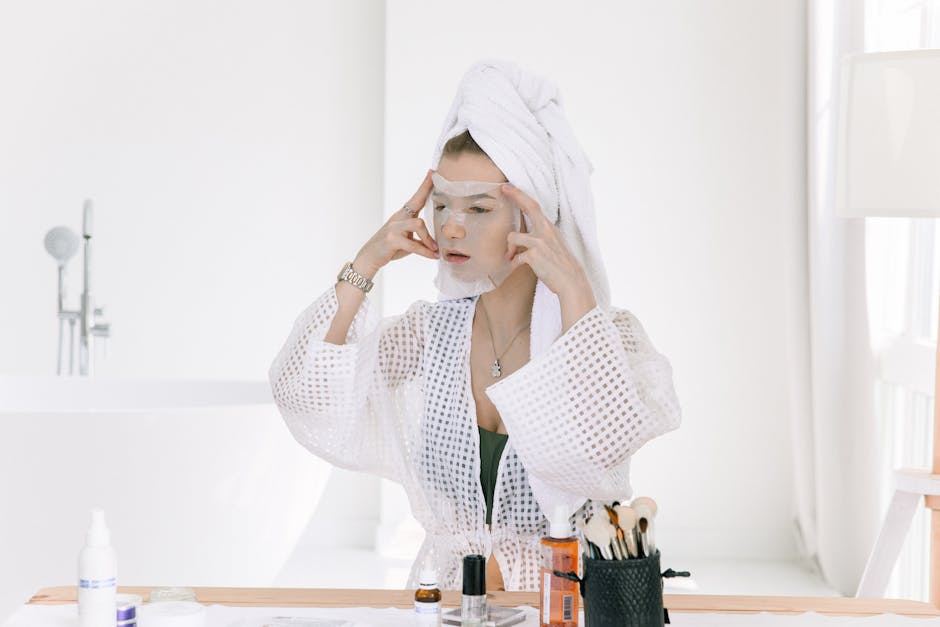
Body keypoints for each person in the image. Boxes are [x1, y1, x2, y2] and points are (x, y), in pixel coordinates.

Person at [268, 59, 681, 592]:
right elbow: (303, 393)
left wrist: (574, 291)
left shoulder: (608, 337)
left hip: (563, 604)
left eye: (480, 208)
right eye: (442, 204)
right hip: (448, 603)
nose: (453, 225)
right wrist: (364, 264)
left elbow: (597, 455)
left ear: (531, 220)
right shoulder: (430, 336)